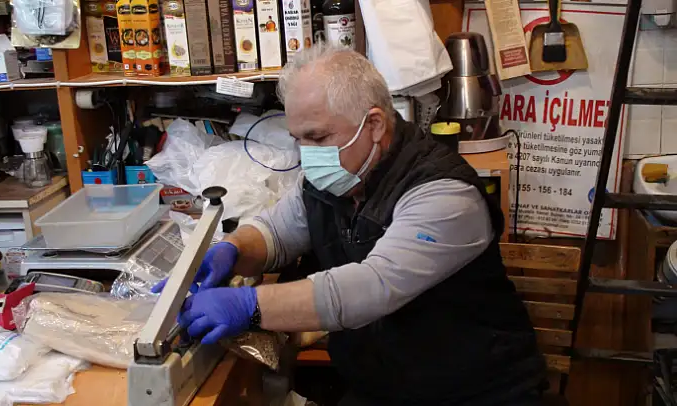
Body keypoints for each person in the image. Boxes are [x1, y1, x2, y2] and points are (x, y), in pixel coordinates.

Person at [155, 45, 546, 405]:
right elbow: (278, 230)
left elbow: (371, 288)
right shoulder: (336, 177)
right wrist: (233, 249)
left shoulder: (444, 195)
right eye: (298, 139)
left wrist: (248, 305)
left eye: (317, 137)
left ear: (374, 124)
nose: (307, 154)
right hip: (383, 388)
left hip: (476, 393)